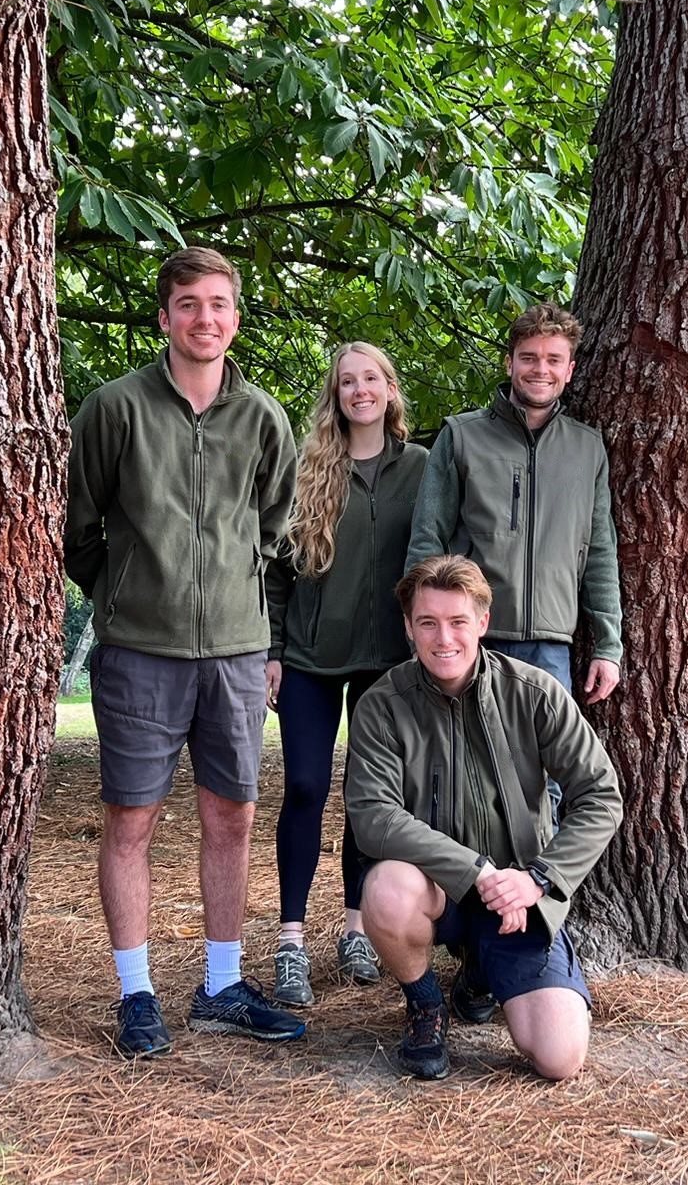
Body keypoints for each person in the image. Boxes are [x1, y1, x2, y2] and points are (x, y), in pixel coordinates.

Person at [64, 247, 305, 1057]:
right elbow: (78, 529)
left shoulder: (263, 418)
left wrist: (253, 622)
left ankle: (223, 984)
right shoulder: (114, 407)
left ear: (236, 317)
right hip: (139, 652)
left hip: (235, 655)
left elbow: (273, 533)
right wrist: (125, 594)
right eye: (189, 304)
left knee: (231, 817)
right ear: (164, 316)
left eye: (220, 304)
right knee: (131, 820)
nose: (206, 318)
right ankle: (136, 995)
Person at [344, 555, 622, 1081]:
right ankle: (426, 1005)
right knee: (384, 888)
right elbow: (373, 817)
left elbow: (601, 795)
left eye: (457, 622)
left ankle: (479, 976)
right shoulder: (382, 705)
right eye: (427, 623)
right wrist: (475, 872)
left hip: (518, 895)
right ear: (408, 627)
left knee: (560, 1058)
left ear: (483, 624)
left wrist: (540, 880)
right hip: (436, 888)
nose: (442, 638)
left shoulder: (535, 693)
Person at [405, 302, 623, 819]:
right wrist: (418, 629)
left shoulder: (587, 448)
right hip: (469, 636)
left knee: (544, 777)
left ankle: (530, 893)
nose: (540, 370)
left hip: (551, 644)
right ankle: (467, 890)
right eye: (529, 357)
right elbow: (426, 539)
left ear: (570, 370)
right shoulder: (462, 435)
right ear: (509, 363)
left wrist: (609, 643)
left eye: (553, 360)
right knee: (462, 768)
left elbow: (599, 552)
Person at [263, 342, 429, 1007]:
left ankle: (357, 928)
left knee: (367, 798)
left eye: (371, 379)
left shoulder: (422, 468)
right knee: (304, 785)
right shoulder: (308, 468)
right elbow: (275, 570)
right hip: (307, 655)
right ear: (335, 395)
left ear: (390, 390)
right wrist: (271, 650)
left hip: (387, 661)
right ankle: (292, 940)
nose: (359, 390)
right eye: (347, 381)